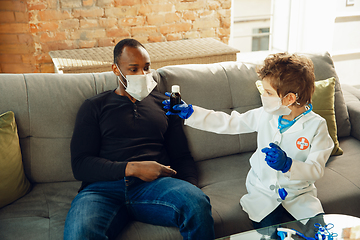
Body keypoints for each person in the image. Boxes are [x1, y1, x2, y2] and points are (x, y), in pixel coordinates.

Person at [63, 38, 215, 240]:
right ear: (116, 70)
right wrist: (133, 168)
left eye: (146, 68)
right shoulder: (94, 106)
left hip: (155, 187)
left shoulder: (166, 104)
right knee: (80, 234)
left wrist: (188, 189)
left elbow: (182, 156)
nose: (142, 75)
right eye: (133, 69)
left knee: (196, 203)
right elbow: (81, 164)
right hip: (101, 190)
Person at [163, 52, 334, 228]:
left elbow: (316, 169)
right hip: (263, 191)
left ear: (289, 98)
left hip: (299, 194)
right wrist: (192, 113)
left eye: (268, 93)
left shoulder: (317, 126)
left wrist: (288, 165)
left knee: (319, 232)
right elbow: (230, 122)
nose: (263, 97)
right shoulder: (265, 115)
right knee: (268, 233)